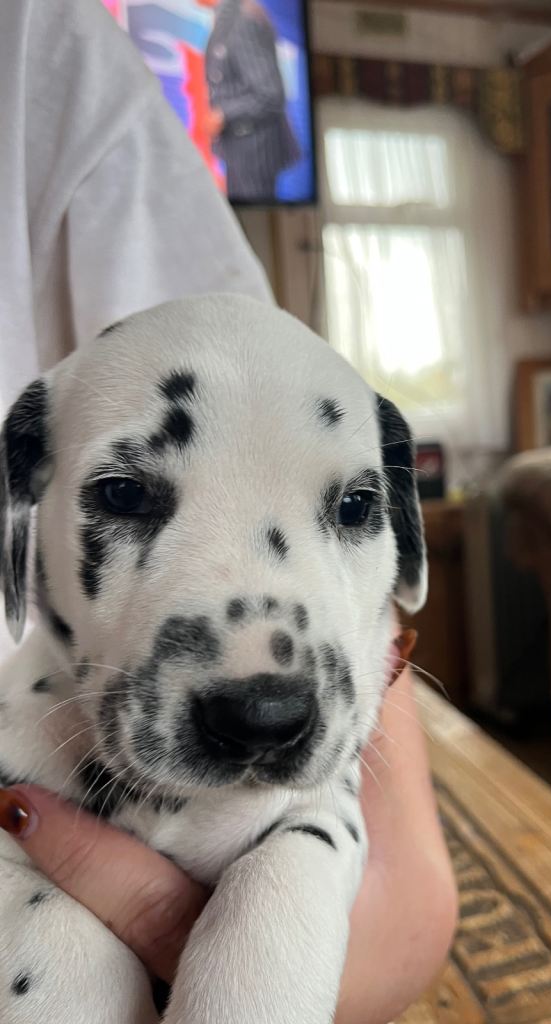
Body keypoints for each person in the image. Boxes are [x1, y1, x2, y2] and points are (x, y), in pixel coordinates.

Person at [0, 1, 457, 1021]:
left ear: (402, 537)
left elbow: (371, 870)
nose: (263, 688)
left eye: (350, 506)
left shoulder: (44, 45)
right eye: (125, 498)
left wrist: (340, 882)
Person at [205, 0, 301, 202]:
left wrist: (223, 114)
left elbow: (269, 94)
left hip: (254, 153)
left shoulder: (242, 21)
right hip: (240, 150)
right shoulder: (227, 17)